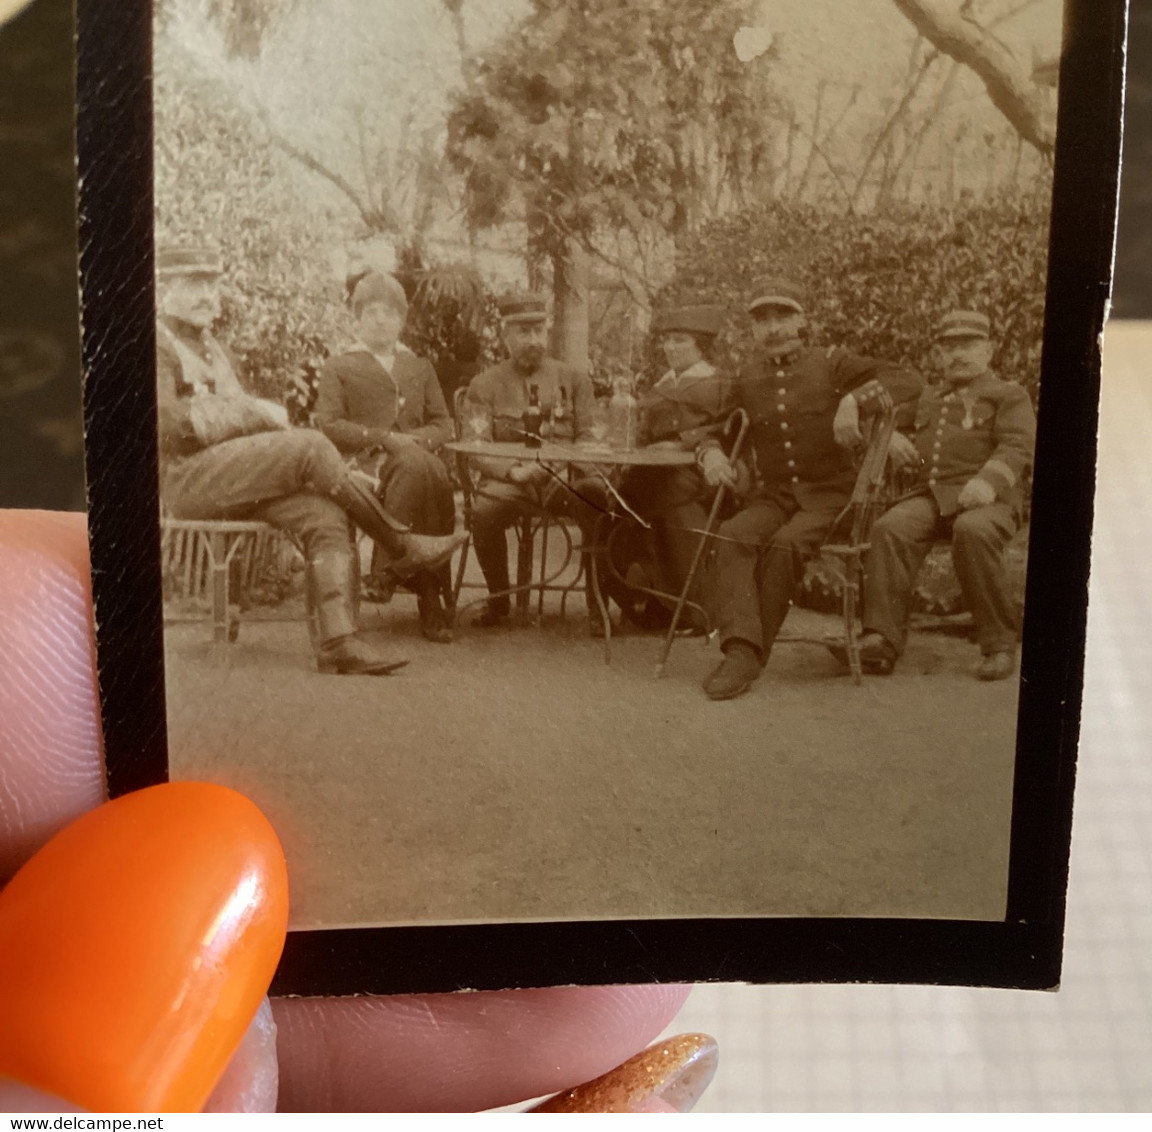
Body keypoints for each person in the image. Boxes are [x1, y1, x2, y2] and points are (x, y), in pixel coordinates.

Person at [0, 510, 709, 1113]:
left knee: (323, 507)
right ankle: (403, 556)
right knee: (318, 463)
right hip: (240, 458)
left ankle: (348, 629)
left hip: (290, 472)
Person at [153, 245, 464, 676]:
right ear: (163, 289)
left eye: (211, 285)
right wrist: (254, 412)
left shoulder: (213, 349)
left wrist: (263, 426)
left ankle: (339, 641)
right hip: (187, 479)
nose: (206, 295)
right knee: (313, 444)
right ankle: (400, 544)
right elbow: (166, 423)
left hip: (230, 476)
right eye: (193, 285)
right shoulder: (153, 343)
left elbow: (247, 433)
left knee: (324, 512)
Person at [694, 278, 922, 701]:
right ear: (754, 329)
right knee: (733, 534)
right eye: (763, 320)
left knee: (786, 543)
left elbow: (908, 380)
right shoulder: (747, 378)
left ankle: (746, 658)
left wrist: (855, 401)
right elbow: (717, 432)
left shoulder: (832, 363)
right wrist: (712, 456)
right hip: (776, 495)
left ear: (801, 320)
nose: (774, 327)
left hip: (833, 496)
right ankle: (741, 649)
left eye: (782, 316)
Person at [850, 310, 1037, 681]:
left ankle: (999, 643)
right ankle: (881, 642)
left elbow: (1018, 444)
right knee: (891, 528)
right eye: (949, 347)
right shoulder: (929, 396)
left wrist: (987, 482)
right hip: (932, 498)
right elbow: (882, 418)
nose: (958, 354)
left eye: (968, 344)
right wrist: (890, 439)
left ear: (989, 349)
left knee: (973, 531)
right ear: (938, 354)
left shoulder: (1008, 394)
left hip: (990, 500)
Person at [315, 271, 458, 643]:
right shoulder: (340, 365)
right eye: (372, 312)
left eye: (390, 313)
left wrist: (409, 442)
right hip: (362, 469)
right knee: (428, 472)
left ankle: (387, 575)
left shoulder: (419, 366)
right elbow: (327, 423)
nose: (381, 319)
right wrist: (385, 439)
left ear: (402, 320)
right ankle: (429, 600)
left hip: (411, 461)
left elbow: (443, 424)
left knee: (423, 468)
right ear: (358, 318)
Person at [459, 291, 607, 631]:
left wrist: (570, 466)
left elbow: (590, 437)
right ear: (505, 335)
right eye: (523, 332)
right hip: (511, 482)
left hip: (564, 479)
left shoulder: (574, 379)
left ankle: (596, 604)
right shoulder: (485, 385)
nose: (533, 340)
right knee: (483, 513)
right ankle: (499, 601)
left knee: (596, 495)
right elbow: (476, 447)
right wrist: (514, 471)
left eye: (539, 331)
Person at [605, 303, 734, 632]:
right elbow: (642, 431)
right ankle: (644, 595)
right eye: (667, 340)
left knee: (667, 497)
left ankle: (689, 608)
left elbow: (727, 430)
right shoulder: (659, 385)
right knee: (614, 499)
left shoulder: (720, 383)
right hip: (652, 469)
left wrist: (683, 442)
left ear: (701, 346)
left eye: (680, 341)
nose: (670, 348)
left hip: (700, 470)